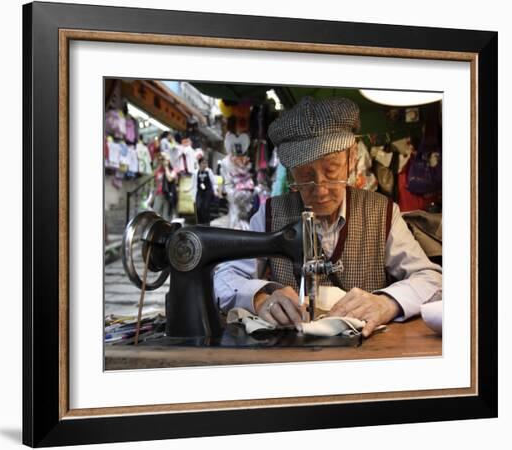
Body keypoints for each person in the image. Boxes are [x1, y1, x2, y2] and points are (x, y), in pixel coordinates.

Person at [213, 97, 442, 338]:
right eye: (304, 175)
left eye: (332, 170)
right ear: (291, 171)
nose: (320, 190)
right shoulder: (269, 215)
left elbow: (431, 279)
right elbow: (225, 277)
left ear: (351, 158)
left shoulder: (382, 213)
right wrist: (259, 298)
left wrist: (388, 303)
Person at [190, 157, 217, 225]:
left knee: (206, 207)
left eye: (206, 163)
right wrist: (191, 194)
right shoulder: (195, 172)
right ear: (199, 164)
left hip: (207, 192)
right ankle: (200, 223)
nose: (205, 165)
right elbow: (193, 184)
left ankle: (207, 223)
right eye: (203, 163)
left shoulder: (209, 171)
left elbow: (213, 182)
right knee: (198, 207)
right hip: (199, 192)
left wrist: (215, 191)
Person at [152, 152, 178, 221]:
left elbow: (170, 178)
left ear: (169, 160)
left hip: (168, 195)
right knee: (156, 214)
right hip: (159, 194)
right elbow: (154, 177)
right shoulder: (159, 170)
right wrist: (160, 164)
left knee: (166, 216)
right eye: (161, 159)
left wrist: (166, 167)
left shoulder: (173, 170)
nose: (162, 161)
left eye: (164, 159)